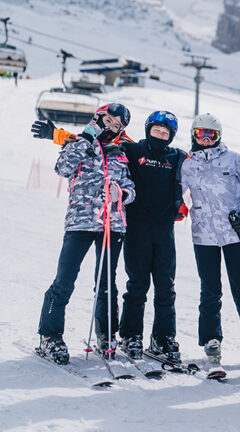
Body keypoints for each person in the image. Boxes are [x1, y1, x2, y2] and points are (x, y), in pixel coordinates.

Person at [36, 103, 135, 364]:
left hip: (111, 225)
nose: (110, 127)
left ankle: (106, 334)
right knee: (64, 280)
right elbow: (63, 168)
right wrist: (88, 137)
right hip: (80, 223)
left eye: (117, 126)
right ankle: (50, 334)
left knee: (105, 283)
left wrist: (121, 194)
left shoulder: (121, 153)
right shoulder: (79, 144)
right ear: (98, 117)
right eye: (108, 120)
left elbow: (130, 187)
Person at [180, 113, 240, 370]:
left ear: (218, 137)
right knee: (210, 289)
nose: (206, 139)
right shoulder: (187, 165)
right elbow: (177, 192)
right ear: (194, 135)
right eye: (201, 134)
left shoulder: (233, 159)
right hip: (204, 235)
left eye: (211, 135)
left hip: (234, 233)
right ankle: (210, 338)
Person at [118, 111, 187, 363]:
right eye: (157, 131)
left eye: (165, 133)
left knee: (165, 287)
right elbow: (104, 145)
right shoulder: (133, 150)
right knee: (137, 284)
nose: (160, 136)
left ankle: (163, 338)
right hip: (137, 228)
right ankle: (130, 335)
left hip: (164, 229)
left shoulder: (177, 156)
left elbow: (203, 165)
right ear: (148, 130)